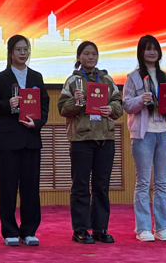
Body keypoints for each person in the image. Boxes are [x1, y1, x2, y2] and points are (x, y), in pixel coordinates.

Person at [0, 34, 49, 247]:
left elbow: (44, 105)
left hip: (31, 138)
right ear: (11, 53)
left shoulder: (36, 77)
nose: (23, 53)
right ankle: (10, 231)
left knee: (31, 187)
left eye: (26, 49)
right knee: (8, 187)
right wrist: (7, 104)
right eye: (19, 49)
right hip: (8, 141)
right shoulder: (1, 77)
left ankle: (29, 231)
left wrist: (36, 123)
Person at [58, 41, 123, 245]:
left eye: (94, 54)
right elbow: (62, 109)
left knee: (101, 187)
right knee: (80, 185)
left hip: (105, 138)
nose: (91, 57)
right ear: (79, 57)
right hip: (81, 139)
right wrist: (76, 101)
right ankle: (80, 229)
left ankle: (100, 228)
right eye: (86, 53)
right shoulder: (73, 81)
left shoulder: (107, 79)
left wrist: (111, 109)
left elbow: (118, 104)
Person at [123, 34, 166, 242]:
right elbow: (126, 105)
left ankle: (163, 227)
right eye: (147, 49)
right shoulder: (133, 77)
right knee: (143, 182)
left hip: (164, 133)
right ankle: (143, 228)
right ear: (141, 52)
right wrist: (141, 99)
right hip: (143, 135)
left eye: (155, 49)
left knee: (161, 183)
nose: (152, 52)